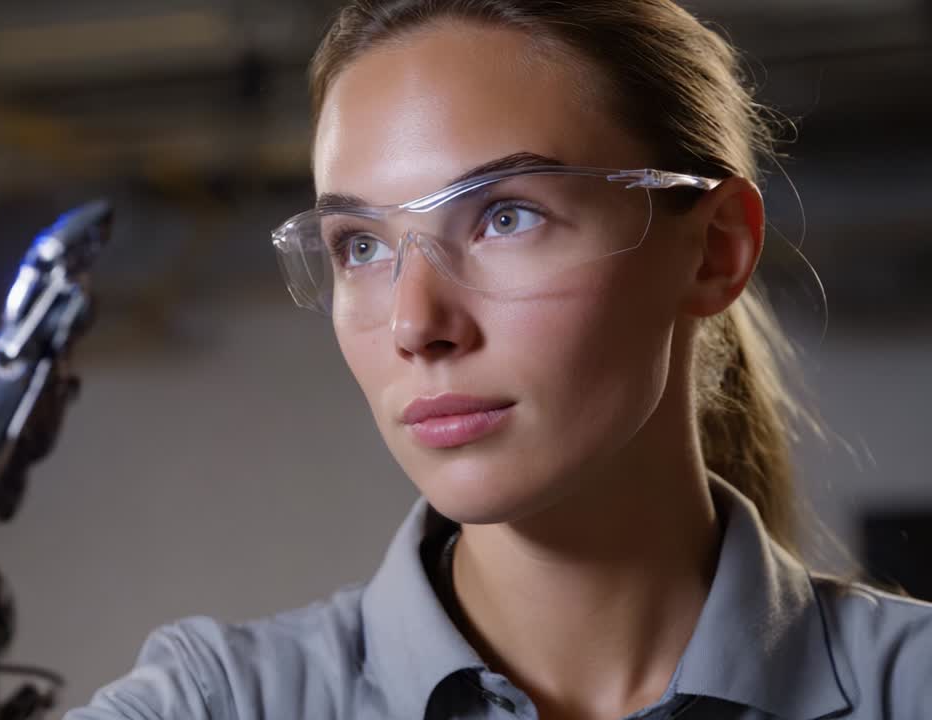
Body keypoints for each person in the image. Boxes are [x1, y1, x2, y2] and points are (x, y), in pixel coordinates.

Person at [65, 1, 932, 718]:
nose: (416, 324)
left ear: (713, 251)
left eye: (505, 216)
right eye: (360, 245)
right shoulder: (217, 704)